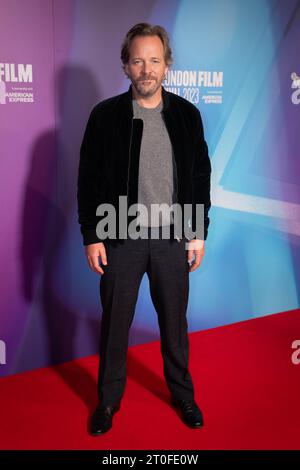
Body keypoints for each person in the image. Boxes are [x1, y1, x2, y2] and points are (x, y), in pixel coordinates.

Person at [77, 23, 211, 435]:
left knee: (175, 324)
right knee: (116, 325)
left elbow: (200, 174)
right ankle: (108, 402)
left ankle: (183, 394)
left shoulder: (187, 115)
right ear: (125, 65)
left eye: (154, 60)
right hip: (120, 237)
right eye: (138, 60)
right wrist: (92, 235)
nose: (146, 68)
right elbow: (89, 178)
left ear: (167, 65)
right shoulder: (105, 116)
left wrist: (198, 230)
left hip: (172, 239)